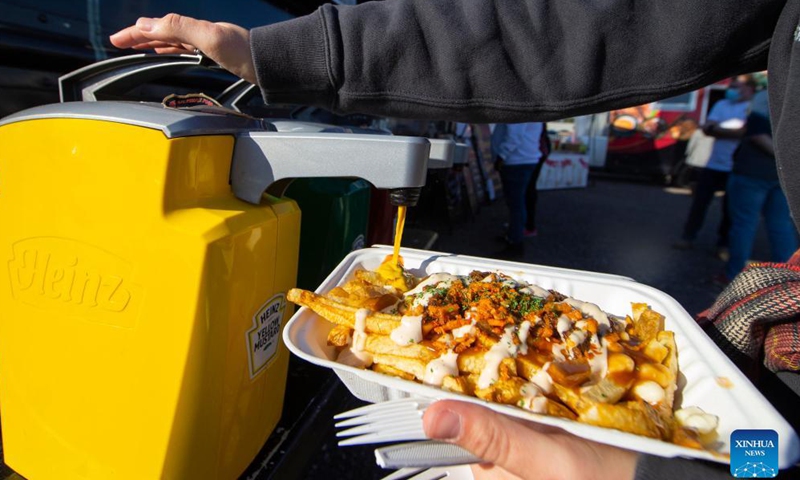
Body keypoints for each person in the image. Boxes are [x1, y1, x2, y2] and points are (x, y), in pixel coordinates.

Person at [110, 2, 800, 478]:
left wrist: (674, 475)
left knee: (754, 446)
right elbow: (562, 28)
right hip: (781, 346)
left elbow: (756, 458)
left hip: (752, 382)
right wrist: (282, 54)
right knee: (761, 445)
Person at [673, 75, 756, 258]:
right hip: (711, 164)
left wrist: (718, 130)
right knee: (699, 204)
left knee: (730, 210)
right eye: (732, 86)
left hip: (734, 166)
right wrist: (727, 132)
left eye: (737, 86)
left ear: (750, 89)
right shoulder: (722, 105)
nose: (732, 90)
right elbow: (706, 128)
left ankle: (723, 244)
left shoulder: (752, 108)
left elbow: (744, 133)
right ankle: (688, 236)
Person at [725, 88, 799, 281]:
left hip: (753, 173)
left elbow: (757, 134)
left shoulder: (765, 96)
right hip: (781, 176)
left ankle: (734, 277)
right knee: (780, 225)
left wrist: (781, 157)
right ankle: (788, 281)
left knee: (745, 224)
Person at [491, 122, 545, 258]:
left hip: (516, 161)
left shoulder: (520, 106)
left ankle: (515, 243)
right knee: (517, 202)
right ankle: (513, 236)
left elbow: (515, 136)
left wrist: (501, 155)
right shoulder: (532, 106)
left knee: (516, 204)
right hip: (524, 159)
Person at [524, 123, 552, 236]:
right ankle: (524, 223)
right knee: (528, 190)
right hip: (537, 153)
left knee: (528, 190)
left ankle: (528, 225)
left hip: (535, 154)